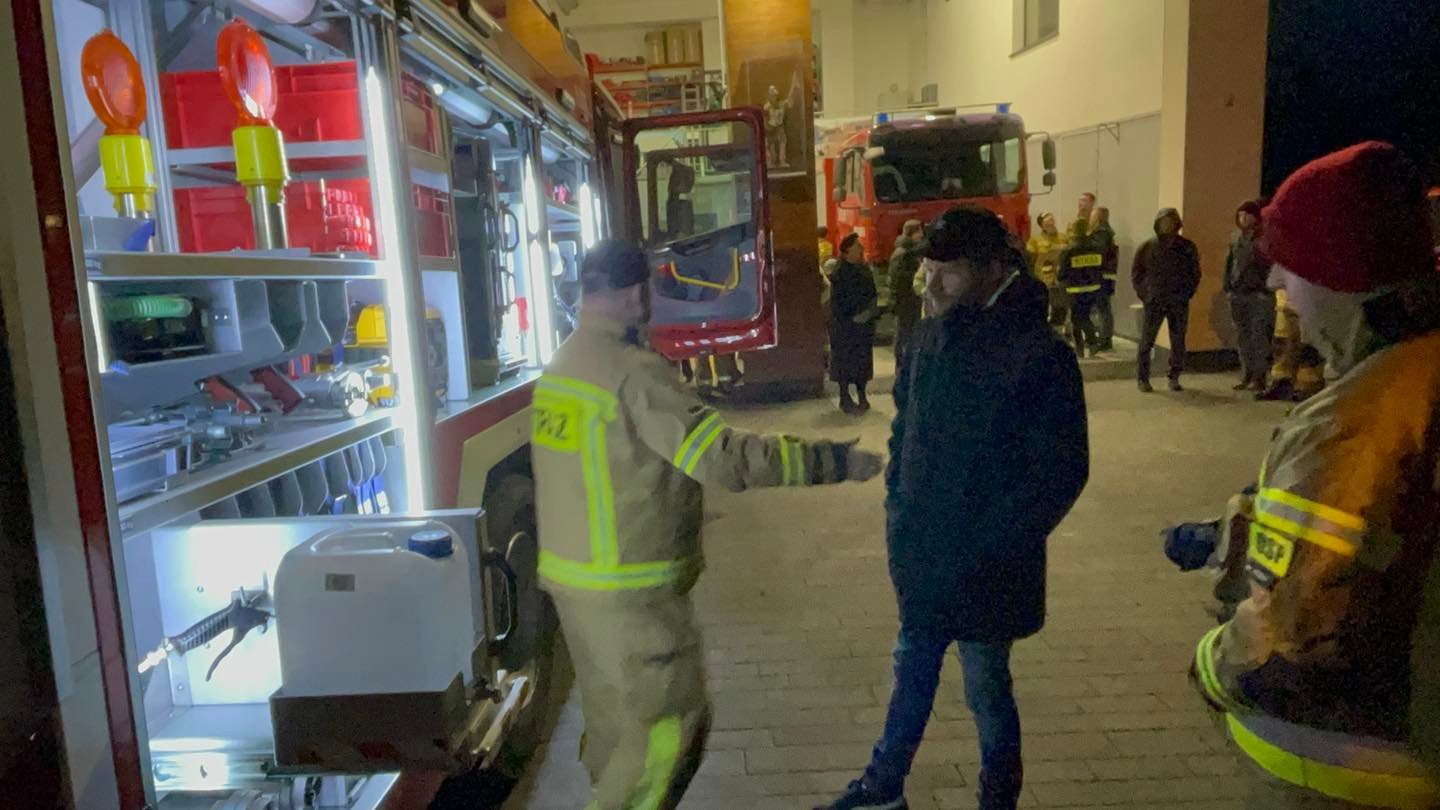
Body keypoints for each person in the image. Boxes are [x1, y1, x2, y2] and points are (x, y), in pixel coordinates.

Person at [533, 239, 884, 810]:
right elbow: (722, 458)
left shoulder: (564, 363)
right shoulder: (633, 374)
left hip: (577, 587)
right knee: (667, 727)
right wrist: (829, 462)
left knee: (615, 724)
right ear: (637, 293)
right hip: (631, 593)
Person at [1190, 141, 1440, 809]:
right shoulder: (1416, 370)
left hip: (1339, 766)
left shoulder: (1354, 423)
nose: (1278, 282)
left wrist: (1211, 665)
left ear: (1341, 277)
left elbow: (1289, 632)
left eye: (1291, 265)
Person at [819, 207, 1089, 810]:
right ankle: (884, 786)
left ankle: (998, 795)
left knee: (986, 684)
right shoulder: (925, 339)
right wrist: (899, 508)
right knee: (912, 665)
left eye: (950, 272)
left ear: (992, 270)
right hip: (923, 551)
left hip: (990, 566)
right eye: (928, 269)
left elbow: (1062, 471)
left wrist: (996, 545)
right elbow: (905, 429)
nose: (932, 284)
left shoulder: (1039, 354)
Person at [1133, 208, 1201, 392]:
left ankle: (1174, 376)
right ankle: (1143, 378)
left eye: (1171, 221)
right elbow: (1137, 272)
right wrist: (1145, 294)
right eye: (1163, 222)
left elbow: (1194, 273)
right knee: (1147, 340)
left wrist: (1187, 293)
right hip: (1154, 300)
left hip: (1178, 300)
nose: (1167, 225)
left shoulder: (1186, 247)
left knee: (1178, 340)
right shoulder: (1148, 247)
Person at [1223, 199, 1276, 392]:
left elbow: (1271, 265)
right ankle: (1247, 373)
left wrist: (1266, 288)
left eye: (1247, 215)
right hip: (1238, 293)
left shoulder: (1265, 238)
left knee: (1259, 337)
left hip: (1258, 294)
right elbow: (1229, 263)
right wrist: (1228, 288)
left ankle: (1259, 377)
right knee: (1242, 336)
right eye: (1240, 215)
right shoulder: (1236, 237)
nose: (1243, 218)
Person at [830, 232, 879, 413]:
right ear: (847, 252)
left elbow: (872, 294)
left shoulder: (864, 269)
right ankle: (844, 396)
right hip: (845, 326)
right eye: (857, 247)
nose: (861, 249)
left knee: (862, 362)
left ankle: (862, 395)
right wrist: (851, 317)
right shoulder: (839, 273)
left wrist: (869, 313)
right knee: (844, 362)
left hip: (863, 326)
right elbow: (837, 302)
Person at [1258, 274, 1327, 402]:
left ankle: (1306, 384)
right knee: (1284, 343)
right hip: (1290, 301)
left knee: (1307, 345)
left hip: (1307, 301)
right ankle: (1284, 381)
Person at [1057, 219, 1104, 357]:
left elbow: (1062, 272)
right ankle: (1092, 342)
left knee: (1076, 319)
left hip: (1075, 290)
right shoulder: (1096, 247)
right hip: (1092, 288)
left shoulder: (1069, 250)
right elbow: (1100, 267)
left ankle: (1080, 348)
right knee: (1085, 316)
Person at [1025, 212, 1069, 328]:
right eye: (1048, 222)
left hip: (1060, 278)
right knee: (1042, 306)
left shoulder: (1063, 238)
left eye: (1052, 221)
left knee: (1060, 306)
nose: (1051, 224)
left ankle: (1058, 328)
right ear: (1042, 226)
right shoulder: (1035, 241)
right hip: (1043, 279)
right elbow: (1029, 260)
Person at [888, 219, 925, 360]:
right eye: (919, 231)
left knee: (909, 330)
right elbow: (898, 277)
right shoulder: (904, 252)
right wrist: (918, 276)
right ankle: (901, 361)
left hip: (909, 298)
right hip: (905, 299)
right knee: (904, 331)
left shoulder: (910, 251)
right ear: (912, 233)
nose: (921, 235)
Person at [1089, 206, 1119, 351]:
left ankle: (1104, 339)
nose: (1091, 217)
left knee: (1103, 308)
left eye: (1093, 215)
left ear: (1098, 217)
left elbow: (1098, 252)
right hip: (1106, 275)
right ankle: (1105, 338)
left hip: (1101, 275)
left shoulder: (1101, 233)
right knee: (1103, 307)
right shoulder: (1107, 232)